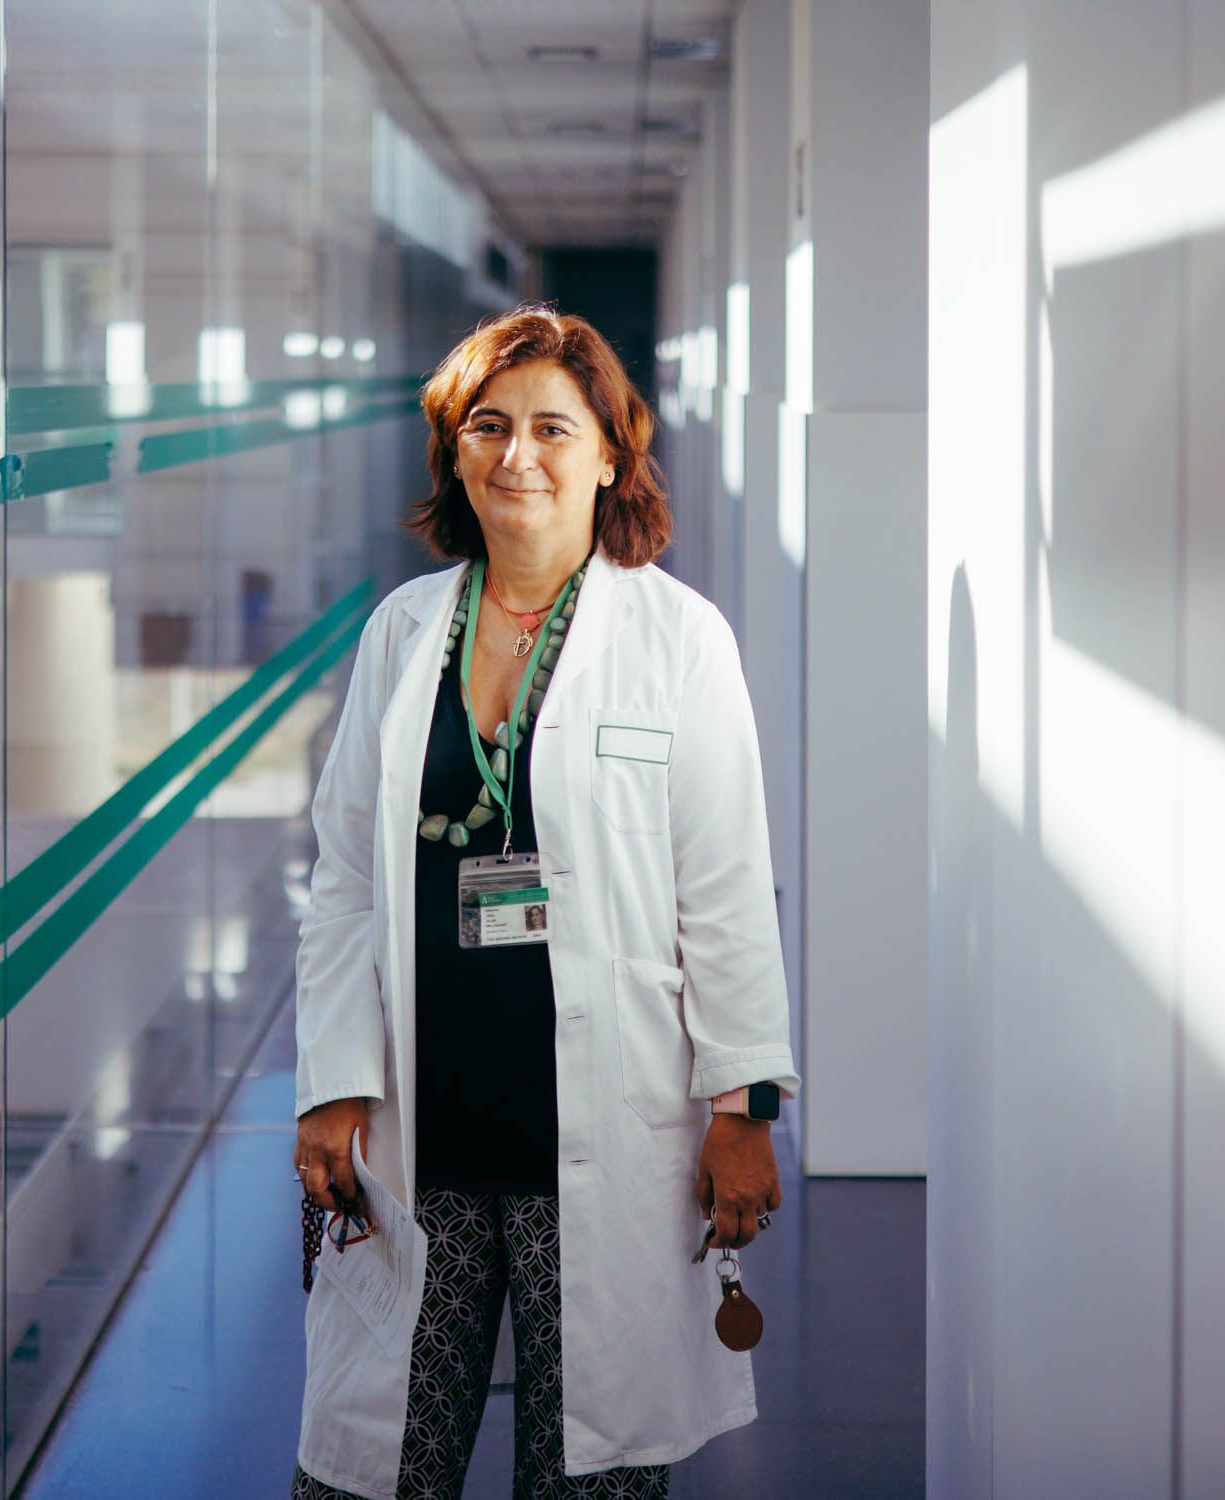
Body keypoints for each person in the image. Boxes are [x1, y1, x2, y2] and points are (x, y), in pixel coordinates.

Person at [290, 306, 799, 1499]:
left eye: (553, 428)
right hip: (427, 1119)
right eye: (488, 425)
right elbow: (347, 880)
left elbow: (726, 888)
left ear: (611, 454)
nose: (517, 455)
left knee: (590, 1477)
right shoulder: (403, 632)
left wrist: (746, 1107)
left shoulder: (679, 638)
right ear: (454, 450)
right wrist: (331, 1082)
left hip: (607, 1118)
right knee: (377, 1467)